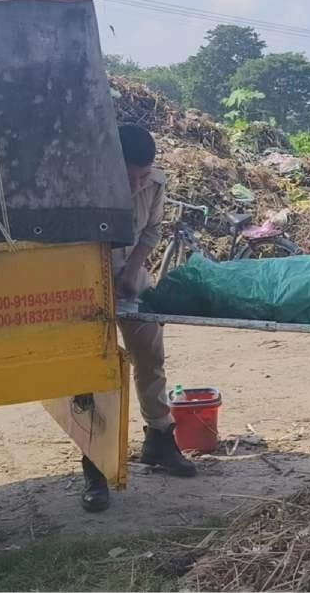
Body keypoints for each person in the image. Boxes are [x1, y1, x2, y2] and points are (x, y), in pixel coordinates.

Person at [81, 124, 197, 513]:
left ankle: (159, 440)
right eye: (131, 176)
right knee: (94, 374)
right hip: (85, 281)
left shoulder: (155, 182)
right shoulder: (87, 179)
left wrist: (133, 270)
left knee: (150, 358)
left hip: (130, 276)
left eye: (142, 177)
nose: (137, 184)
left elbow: (152, 230)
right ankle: (94, 467)